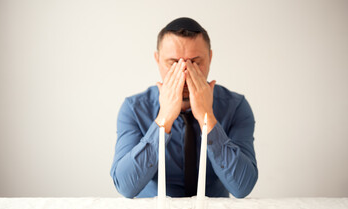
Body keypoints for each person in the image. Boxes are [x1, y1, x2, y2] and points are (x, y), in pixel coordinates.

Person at [110, 17, 258, 198]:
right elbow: (125, 187)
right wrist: (163, 119)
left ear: (210, 58)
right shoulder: (134, 109)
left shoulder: (235, 107)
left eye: (195, 62)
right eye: (173, 63)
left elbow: (243, 187)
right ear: (157, 60)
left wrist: (207, 118)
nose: (185, 73)